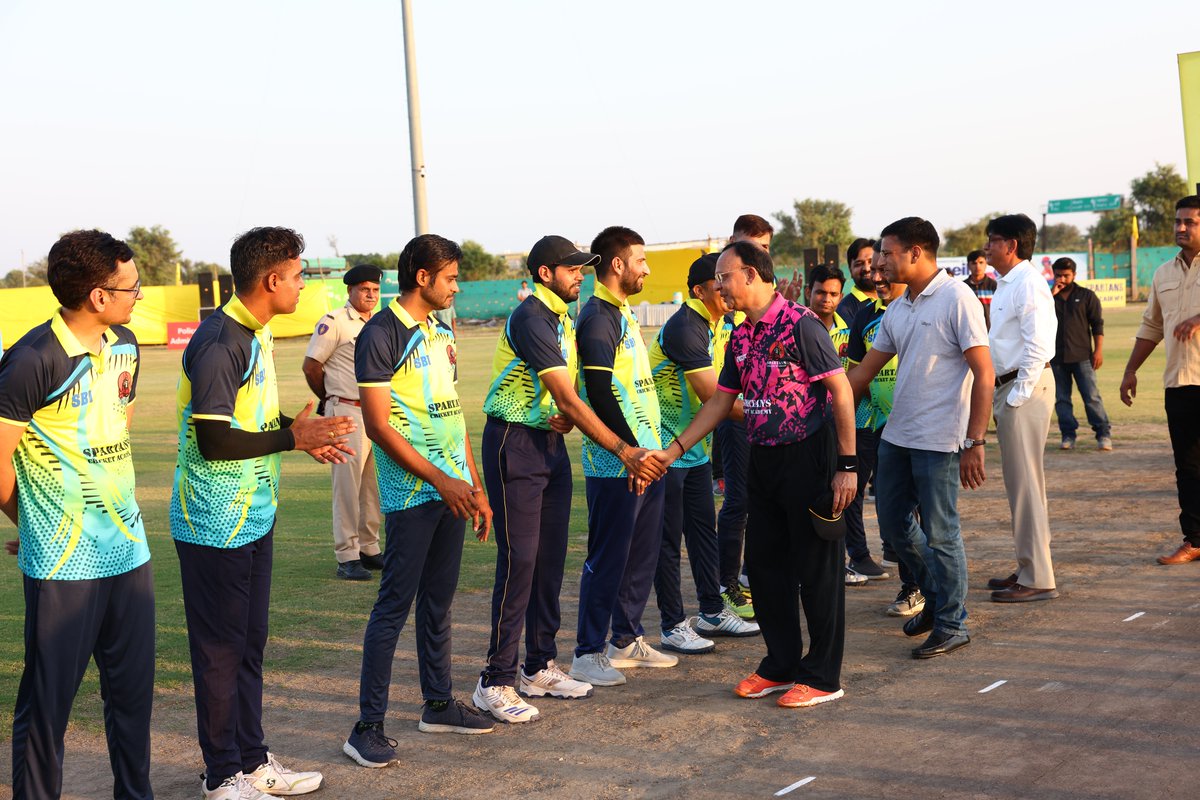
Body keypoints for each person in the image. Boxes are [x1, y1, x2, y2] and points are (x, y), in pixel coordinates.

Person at [172, 227, 352, 799]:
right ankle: (221, 774)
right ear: (271, 279)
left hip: (253, 514)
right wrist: (292, 440)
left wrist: (296, 432)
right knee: (220, 652)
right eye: (299, 276)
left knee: (249, 645)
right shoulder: (221, 341)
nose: (303, 286)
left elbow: (252, 424)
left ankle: (251, 761)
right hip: (212, 522)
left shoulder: (256, 333)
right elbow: (214, 441)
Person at [649, 240, 858, 708]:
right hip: (762, 458)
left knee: (816, 569)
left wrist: (846, 466)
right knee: (765, 567)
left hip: (810, 455)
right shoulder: (741, 335)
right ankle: (780, 664)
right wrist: (675, 449)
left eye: (724, 276)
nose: (719, 285)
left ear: (752, 274)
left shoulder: (800, 324)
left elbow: (840, 392)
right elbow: (722, 401)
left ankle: (823, 676)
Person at [472, 235, 663, 724]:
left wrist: (559, 418)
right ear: (544, 273)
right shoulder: (532, 317)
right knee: (520, 561)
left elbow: (564, 398)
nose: (581, 274)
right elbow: (570, 397)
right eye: (573, 268)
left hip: (547, 443)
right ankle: (494, 680)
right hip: (512, 444)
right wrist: (624, 449)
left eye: (583, 268)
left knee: (550, 559)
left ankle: (538, 667)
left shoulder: (560, 318)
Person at [2, 230, 155, 800]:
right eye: (131, 286)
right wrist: (36, 522)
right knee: (47, 706)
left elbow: (118, 428)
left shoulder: (127, 345)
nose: (138, 294)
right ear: (97, 296)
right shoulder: (31, 360)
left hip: (128, 550)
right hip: (66, 564)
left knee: (133, 699)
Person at [344, 234, 496, 767]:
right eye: (451, 277)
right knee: (393, 607)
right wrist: (442, 481)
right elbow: (379, 427)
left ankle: (438, 704)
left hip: (453, 490)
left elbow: (452, 415)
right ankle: (367, 726)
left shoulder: (440, 328)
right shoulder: (381, 333)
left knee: (440, 602)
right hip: (413, 493)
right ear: (423, 277)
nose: (457, 285)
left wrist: (473, 485)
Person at [848, 217, 992, 659]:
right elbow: (863, 373)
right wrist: (815, 406)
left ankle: (953, 622)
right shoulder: (899, 306)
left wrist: (975, 442)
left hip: (942, 439)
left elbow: (984, 374)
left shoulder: (956, 298)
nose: (879, 265)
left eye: (887, 255)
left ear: (916, 252)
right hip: (899, 434)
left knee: (942, 533)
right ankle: (937, 597)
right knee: (893, 525)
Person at [568, 225, 675, 688]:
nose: (647, 269)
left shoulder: (623, 312)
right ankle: (587, 651)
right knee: (608, 556)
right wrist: (630, 451)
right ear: (617, 264)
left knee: (641, 555)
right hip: (618, 461)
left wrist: (649, 452)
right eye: (641, 260)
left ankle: (625, 639)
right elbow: (598, 390)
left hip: (646, 455)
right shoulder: (597, 316)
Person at [649, 253, 761, 656]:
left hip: (693, 447)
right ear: (700, 290)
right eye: (720, 283)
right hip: (664, 447)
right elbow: (714, 397)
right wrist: (773, 414)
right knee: (667, 539)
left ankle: (712, 611)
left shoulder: (718, 324)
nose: (726, 290)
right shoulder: (685, 326)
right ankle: (672, 625)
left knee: (702, 533)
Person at [984, 214, 1059, 603]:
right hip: (1012, 386)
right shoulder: (1009, 283)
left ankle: (1039, 578)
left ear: (1011, 245)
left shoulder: (1028, 284)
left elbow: (1039, 344)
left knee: (1027, 485)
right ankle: (1030, 565)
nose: (986, 247)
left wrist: (1018, 395)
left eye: (993, 240)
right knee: (1023, 485)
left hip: (1023, 387)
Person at [1122, 195, 1200, 566]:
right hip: (1180, 383)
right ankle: (1196, 539)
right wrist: (1130, 370)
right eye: (1178, 221)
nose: (1181, 228)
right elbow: (1151, 326)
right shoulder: (1162, 273)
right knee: (1187, 467)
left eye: (1191, 222)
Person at [302, 265, 384, 580]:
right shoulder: (335, 322)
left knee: (371, 486)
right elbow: (311, 366)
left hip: (376, 412)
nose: (371, 295)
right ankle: (347, 555)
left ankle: (369, 547)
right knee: (347, 487)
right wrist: (329, 399)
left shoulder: (379, 322)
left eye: (375, 290)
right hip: (346, 411)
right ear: (349, 291)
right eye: (365, 289)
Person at [714, 214, 774, 620]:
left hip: (765, 419)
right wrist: (753, 413)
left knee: (765, 499)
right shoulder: (717, 290)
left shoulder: (779, 310)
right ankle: (727, 584)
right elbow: (715, 392)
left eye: (767, 248)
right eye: (754, 246)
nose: (760, 254)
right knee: (738, 500)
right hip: (739, 416)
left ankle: (757, 574)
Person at [1050, 257, 1112, 451]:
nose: (1062, 278)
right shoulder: (1045, 297)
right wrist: (1051, 295)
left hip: (1083, 356)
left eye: (1066, 275)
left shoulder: (1086, 296)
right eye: (1058, 274)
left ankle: (1103, 434)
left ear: (1074, 275)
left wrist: (1098, 351)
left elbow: (1097, 325)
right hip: (1056, 357)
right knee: (1061, 399)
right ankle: (1068, 435)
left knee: (1091, 397)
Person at [836, 238, 879, 323]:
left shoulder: (895, 297)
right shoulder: (845, 309)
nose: (866, 268)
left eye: (871, 261)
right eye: (859, 264)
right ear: (850, 271)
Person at [964, 249, 997, 328]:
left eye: (981, 262)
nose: (978, 266)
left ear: (986, 264)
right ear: (968, 266)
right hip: (969, 331)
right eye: (974, 263)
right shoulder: (963, 287)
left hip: (990, 332)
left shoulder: (994, 285)